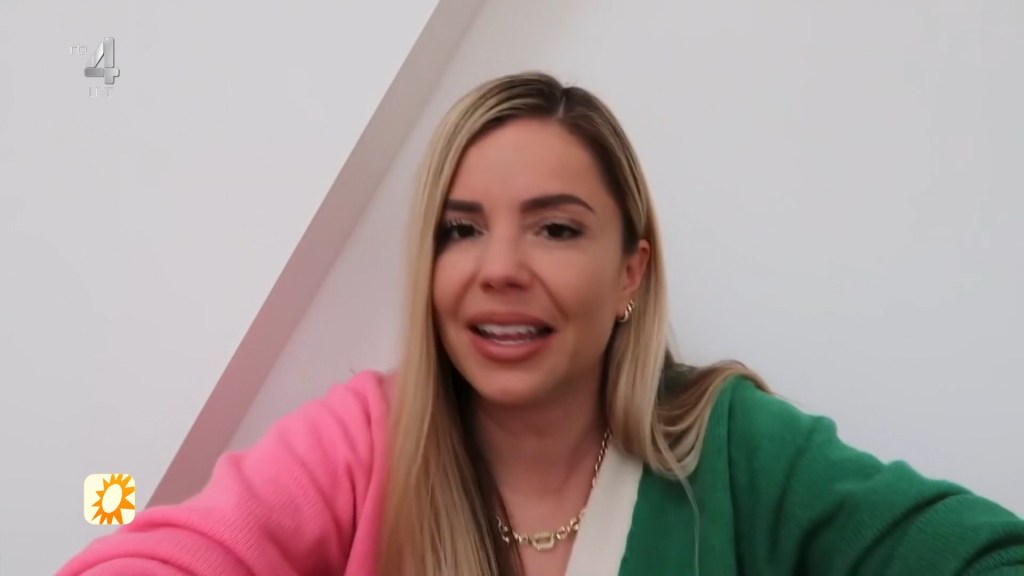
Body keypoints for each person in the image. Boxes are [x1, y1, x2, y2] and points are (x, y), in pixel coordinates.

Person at [59, 72, 1024, 576]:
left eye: (556, 228)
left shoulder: (732, 446)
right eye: (461, 230)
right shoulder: (364, 442)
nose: (500, 269)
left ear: (629, 272)